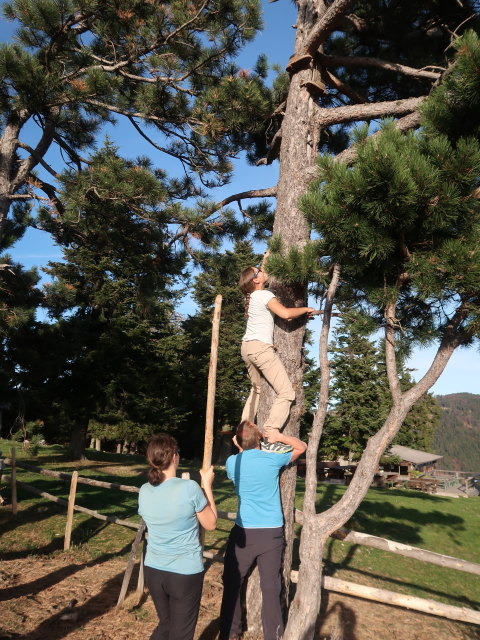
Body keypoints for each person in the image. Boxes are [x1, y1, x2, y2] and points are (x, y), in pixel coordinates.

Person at [219, 420, 307, 640]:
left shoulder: (233, 462)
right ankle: (274, 635)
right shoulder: (272, 459)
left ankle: (230, 633)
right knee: (270, 588)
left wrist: (241, 446)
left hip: (244, 533)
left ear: (238, 441)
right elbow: (301, 447)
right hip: (271, 533)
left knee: (231, 583)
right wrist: (279, 437)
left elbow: (243, 456)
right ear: (259, 438)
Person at [138, 433, 217, 640]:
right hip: (183, 574)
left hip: (154, 570)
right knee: (180, 634)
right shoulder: (189, 488)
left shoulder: (144, 490)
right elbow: (211, 523)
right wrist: (207, 485)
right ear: (174, 456)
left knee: (166, 626)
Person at [239, 260, 315, 450]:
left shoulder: (251, 297)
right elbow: (285, 314)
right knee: (286, 392)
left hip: (246, 348)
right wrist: (305, 309)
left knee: (256, 389)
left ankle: (243, 432)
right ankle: (271, 433)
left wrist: (267, 257)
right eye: (260, 271)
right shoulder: (264, 294)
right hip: (261, 349)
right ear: (256, 280)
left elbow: (261, 272)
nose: (264, 271)